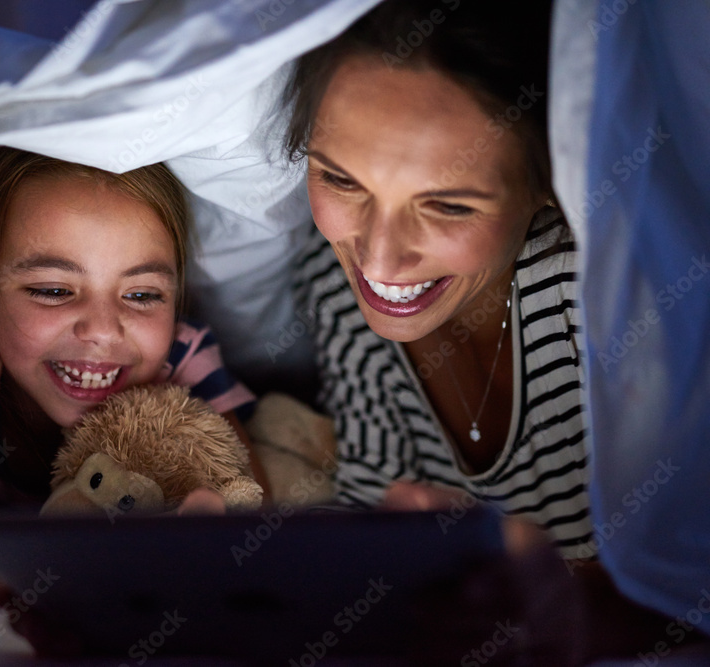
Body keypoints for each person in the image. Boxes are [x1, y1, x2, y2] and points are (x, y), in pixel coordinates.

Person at [285, 0, 705, 662]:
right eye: (339, 178)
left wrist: (574, 610)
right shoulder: (331, 284)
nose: (377, 258)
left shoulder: (600, 308)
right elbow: (366, 530)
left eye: (448, 205)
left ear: (546, 183)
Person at [0, 146, 264, 601]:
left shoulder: (180, 365)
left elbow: (258, 538)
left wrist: (11, 576)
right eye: (52, 290)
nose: (103, 331)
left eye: (143, 295)